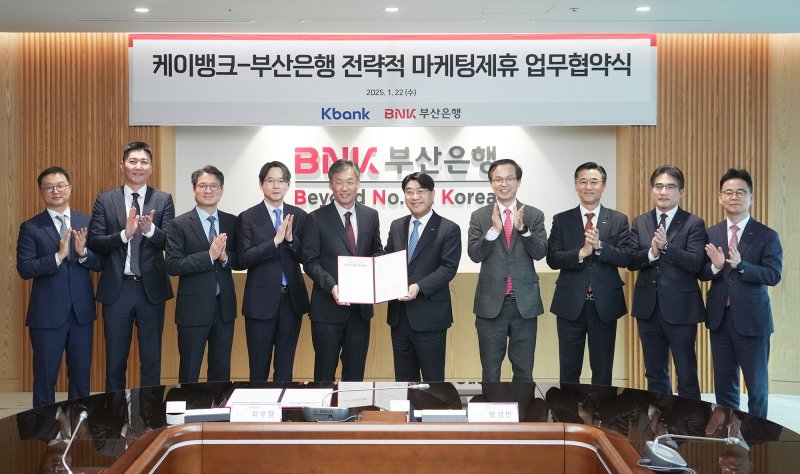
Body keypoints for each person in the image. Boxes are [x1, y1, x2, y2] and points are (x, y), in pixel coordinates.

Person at [88, 141, 175, 391]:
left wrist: (150, 231)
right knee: (115, 360)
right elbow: (95, 241)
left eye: (144, 162)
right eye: (133, 161)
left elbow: (170, 242)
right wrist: (124, 235)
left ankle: (150, 411)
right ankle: (115, 410)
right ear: (122, 165)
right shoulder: (105, 199)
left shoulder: (163, 199)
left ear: (151, 167)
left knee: (151, 359)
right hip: (118, 289)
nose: (138, 166)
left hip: (151, 289)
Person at [16, 167, 102, 407]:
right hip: (46, 316)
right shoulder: (31, 227)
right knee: (45, 379)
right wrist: (58, 256)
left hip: (81, 314)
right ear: (41, 192)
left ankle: (79, 425)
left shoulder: (87, 222)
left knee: (81, 379)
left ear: (69, 188)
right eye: (49, 187)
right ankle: (44, 428)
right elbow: (25, 268)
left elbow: (101, 263)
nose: (56, 191)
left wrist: (83, 253)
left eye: (60, 185)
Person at [701, 168, 782, 418]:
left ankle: (757, 435)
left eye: (740, 192)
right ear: (720, 197)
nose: (734, 197)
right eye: (728, 192)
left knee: (756, 387)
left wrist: (742, 266)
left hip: (753, 321)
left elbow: (773, 275)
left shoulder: (766, 235)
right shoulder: (711, 233)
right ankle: (728, 435)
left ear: (751, 197)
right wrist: (716, 266)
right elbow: (701, 272)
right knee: (724, 386)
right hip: (720, 320)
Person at [546, 162, 633, 386]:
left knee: (602, 371)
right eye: (583, 181)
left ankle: (599, 409)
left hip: (605, 305)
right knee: (569, 370)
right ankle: (568, 408)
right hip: (570, 304)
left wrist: (600, 247)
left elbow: (627, 257)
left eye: (594, 182)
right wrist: (581, 253)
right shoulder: (562, 219)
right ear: (575, 185)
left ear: (604, 186)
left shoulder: (618, 219)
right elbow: (552, 258)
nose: (588, 186)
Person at [467, 159, 548, 382]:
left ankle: (522, 406)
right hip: (490, 303)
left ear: (518, 182)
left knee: (524, 371)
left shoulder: (534, 215)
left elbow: (540, 252)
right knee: (490, 371)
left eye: (510, 178)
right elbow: (474, 255)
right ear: (491, 183)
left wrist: (523, 230)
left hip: (524, 304)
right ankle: (491, 406)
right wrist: (493, 231)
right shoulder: (479, 216)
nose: (504, 184)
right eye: (498, 179)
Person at [629, 165, 705, 399]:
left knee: (686, 374)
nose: (663, 191)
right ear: (652, 190)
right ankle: (660, 419)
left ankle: (688, 422)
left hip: (681, 309)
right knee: (654, 373)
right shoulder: (640, 222)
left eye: (670, 187)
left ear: (681, 192)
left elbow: (696, 263)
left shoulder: (693, 222)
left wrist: (667, 248)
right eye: (659, 186)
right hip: (648, 309)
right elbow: (631, 260)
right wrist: (651, 253)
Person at [303, 159, 383, 382]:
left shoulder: (370, 215)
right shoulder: (315, 218)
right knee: (324, 374)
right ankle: (324, 406)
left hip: (360, 311)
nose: (344, 188)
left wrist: (377, 271)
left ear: (358, 184)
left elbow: (377, 251)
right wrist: (332, 286)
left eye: (350, 182)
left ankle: (353, 406)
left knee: (355, 375)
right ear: (331, 185)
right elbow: (310, 261)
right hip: (327, 309)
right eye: (339, 182)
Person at [384, 172, 461, 382]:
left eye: (420, 191)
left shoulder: (448, 228)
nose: (414, 196)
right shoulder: (397, 225)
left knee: (433, 382)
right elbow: (387, 258)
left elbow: (448, 268)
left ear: (432, 194)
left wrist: (419, 286)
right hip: (399, 318)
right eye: (409, 192)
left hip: (430, 318)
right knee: (404, 381)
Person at [165, 165, 239, 383]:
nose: (208, 190)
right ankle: (189, 405)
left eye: (214, 186)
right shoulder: (178, 224)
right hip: (193, 310)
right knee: (190, 371)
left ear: (221, 190)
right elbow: (173, 265)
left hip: (224, 308)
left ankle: (218, 405)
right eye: (203, 186)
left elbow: (240, 259)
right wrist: (208, 256)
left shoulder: (232, 222)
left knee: (221, 370)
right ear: (194, 189)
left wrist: (224, 257)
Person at [236, 161, 309, 382]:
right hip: (260, 302)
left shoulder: (300, 215)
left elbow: (307, 256)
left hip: (291, 302)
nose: (276, 186)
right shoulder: (248, 217)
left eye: (281, 181)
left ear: (288, 185)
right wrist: (274, 242)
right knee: (258, 369)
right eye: (270, 181)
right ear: (261, 184)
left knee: (285, 369)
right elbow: (243, 259)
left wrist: (291, 240)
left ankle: (284, 405)